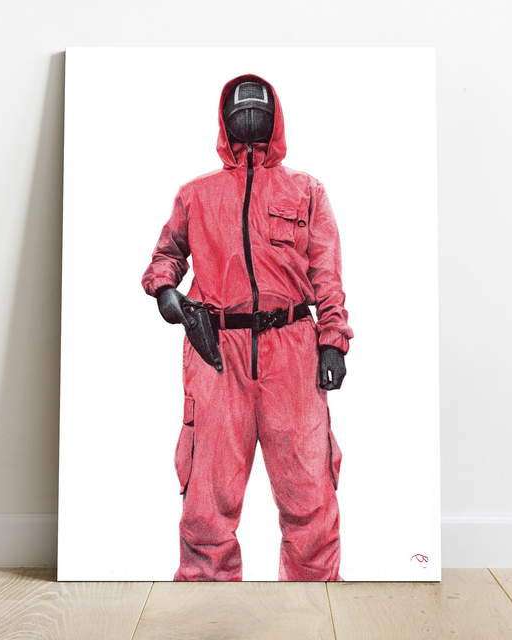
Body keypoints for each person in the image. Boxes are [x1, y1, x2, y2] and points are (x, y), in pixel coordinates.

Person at [141, 74, 354, 581]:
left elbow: (327, 273)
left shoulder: (307, 190)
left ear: (275, 117)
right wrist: (167, 293)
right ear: (225, 119)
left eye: (259, 107)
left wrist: (333, 341)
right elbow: (166, 256)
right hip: (217, 353)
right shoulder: (196, 195)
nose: (250, 115)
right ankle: (206, 610)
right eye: (240, 108)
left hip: (293, 351)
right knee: (207, 500)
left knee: (310, 496)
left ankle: (315, 608)